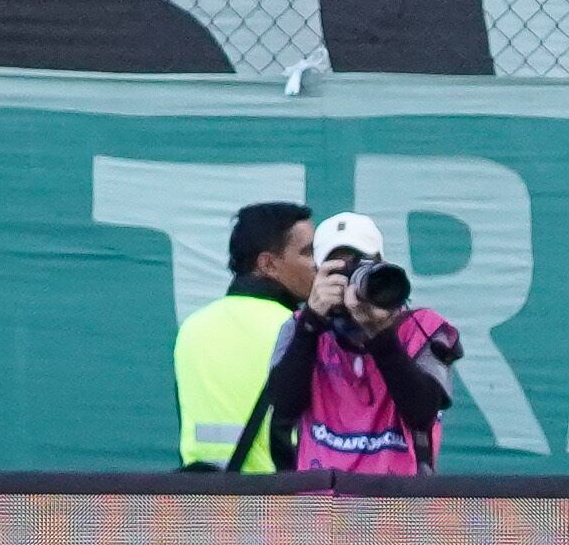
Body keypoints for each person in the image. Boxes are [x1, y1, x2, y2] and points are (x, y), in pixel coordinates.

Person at [254, 209, 461, 472]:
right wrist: (311, 322)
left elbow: (422, 413)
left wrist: (379, 333)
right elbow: (284, 407)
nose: (350, 282)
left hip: (399, 495)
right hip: (321, 494)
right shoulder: (299, 328)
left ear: (381, 265)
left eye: (359, 267)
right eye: (338, 270)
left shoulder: (424, 328)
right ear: (318, 274)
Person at [174, 200, 314, 468]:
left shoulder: (192, 327)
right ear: (268, 264)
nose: (319, 264)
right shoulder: (300, 331)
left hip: (203, 492)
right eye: (308, 252)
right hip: (282, 492)